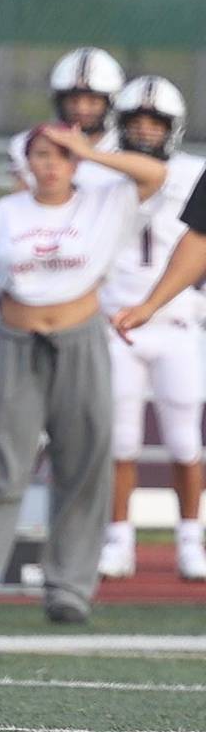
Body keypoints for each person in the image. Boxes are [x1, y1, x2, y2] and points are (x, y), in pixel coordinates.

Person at [0, 123, 164, 624]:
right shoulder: (4, 215)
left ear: (75, 162)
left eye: (61, 156)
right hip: (17, 342)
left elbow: (156, 173)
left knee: (82, 463)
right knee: (2, 464)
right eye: (41, 155)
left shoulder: (104, 201)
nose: (50, 165)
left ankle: (69, 588)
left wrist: (90, 151)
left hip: (79, 339)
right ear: (26, 162)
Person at [98, 78, 206, 582]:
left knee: (186, 441)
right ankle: (119, 537)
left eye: (154, 122)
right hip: (116, 320)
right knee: (120, 440)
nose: (144, 130)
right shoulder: (99, 171)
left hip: (177, 319)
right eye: (135, 121)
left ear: (172, 128)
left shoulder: (188, 170)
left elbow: (157, 177)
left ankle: (190, 537)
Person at [7, 47, 123, 192]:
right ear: (59, 101)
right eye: (73, 100)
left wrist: (89, 154)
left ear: (110, 103)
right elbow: (26, 204)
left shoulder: (128, 148)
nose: (82, 109)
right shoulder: (28, 143)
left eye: (92, 101)